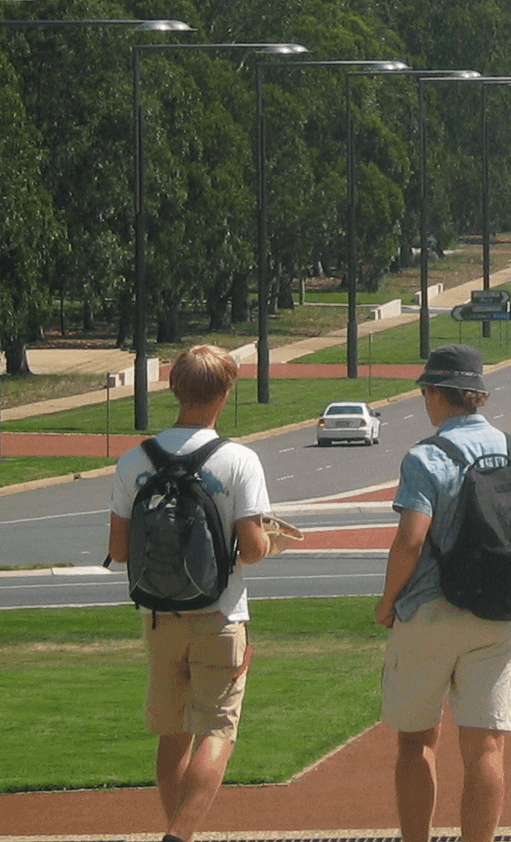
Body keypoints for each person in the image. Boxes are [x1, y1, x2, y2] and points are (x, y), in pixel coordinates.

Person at [107, 344, 272, 842]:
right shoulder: (239, 460)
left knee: (171, 733)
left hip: (159, 616)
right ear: (226, 391)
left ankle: (179, 831)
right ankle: (179, 837)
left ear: (174, 388)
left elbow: (119, 548)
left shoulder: (134, 460)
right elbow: (254, 549)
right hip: (219, 614)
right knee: (217, 731)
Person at [377, 345, 511, 842]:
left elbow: (410, 540)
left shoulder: (426, 456)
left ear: (436, 394)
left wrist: (387, 604)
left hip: (429, 609)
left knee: (416, 744)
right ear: (478, 395)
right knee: (486, 748)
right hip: (497, 613)